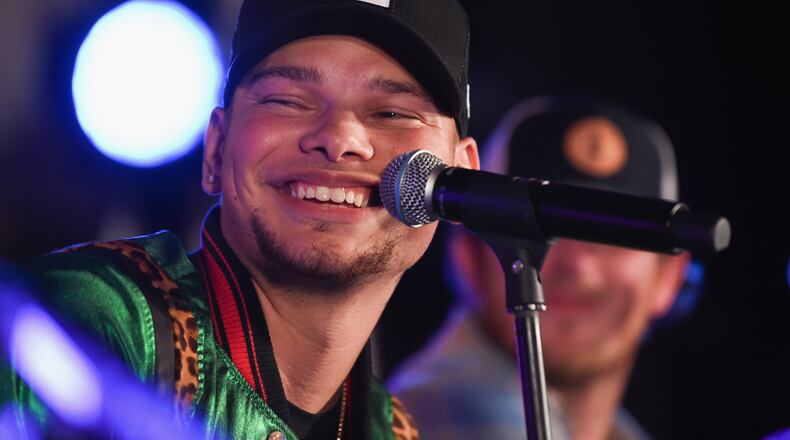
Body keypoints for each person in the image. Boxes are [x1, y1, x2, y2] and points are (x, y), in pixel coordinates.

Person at [1, 0, 479, 438]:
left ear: (463, 174)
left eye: (393, 113)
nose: (339, 138)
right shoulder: (84, 323)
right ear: (216, 149)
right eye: (287, 101)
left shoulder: (394, 432)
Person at [387, 96, 690, 440]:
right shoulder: (435, 416)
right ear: (467, 255)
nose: (577, 265)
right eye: (539, 229)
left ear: (669, 277)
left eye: (610, 234)